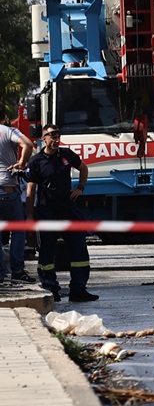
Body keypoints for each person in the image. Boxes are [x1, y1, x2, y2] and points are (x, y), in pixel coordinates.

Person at [24, 124, 98, 301]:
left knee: (79, 250)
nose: (56, 140)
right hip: (47, 212)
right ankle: (51, 290)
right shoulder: (36, 161)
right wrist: (30, 216)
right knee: (46, 253)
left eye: (58, 136)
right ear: (44, 138)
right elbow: (30, 190)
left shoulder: (67, 155)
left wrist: (80, 188)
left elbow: (83, 168)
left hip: (69, 211)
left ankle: (78, 290)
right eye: (52, 136)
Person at [1, 106, 35, 287]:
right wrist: (21, 163)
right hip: (7, 189)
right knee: (18, 230)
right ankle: (17, 271)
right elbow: (28, 144)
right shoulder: (9, 131)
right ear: (5, 116)